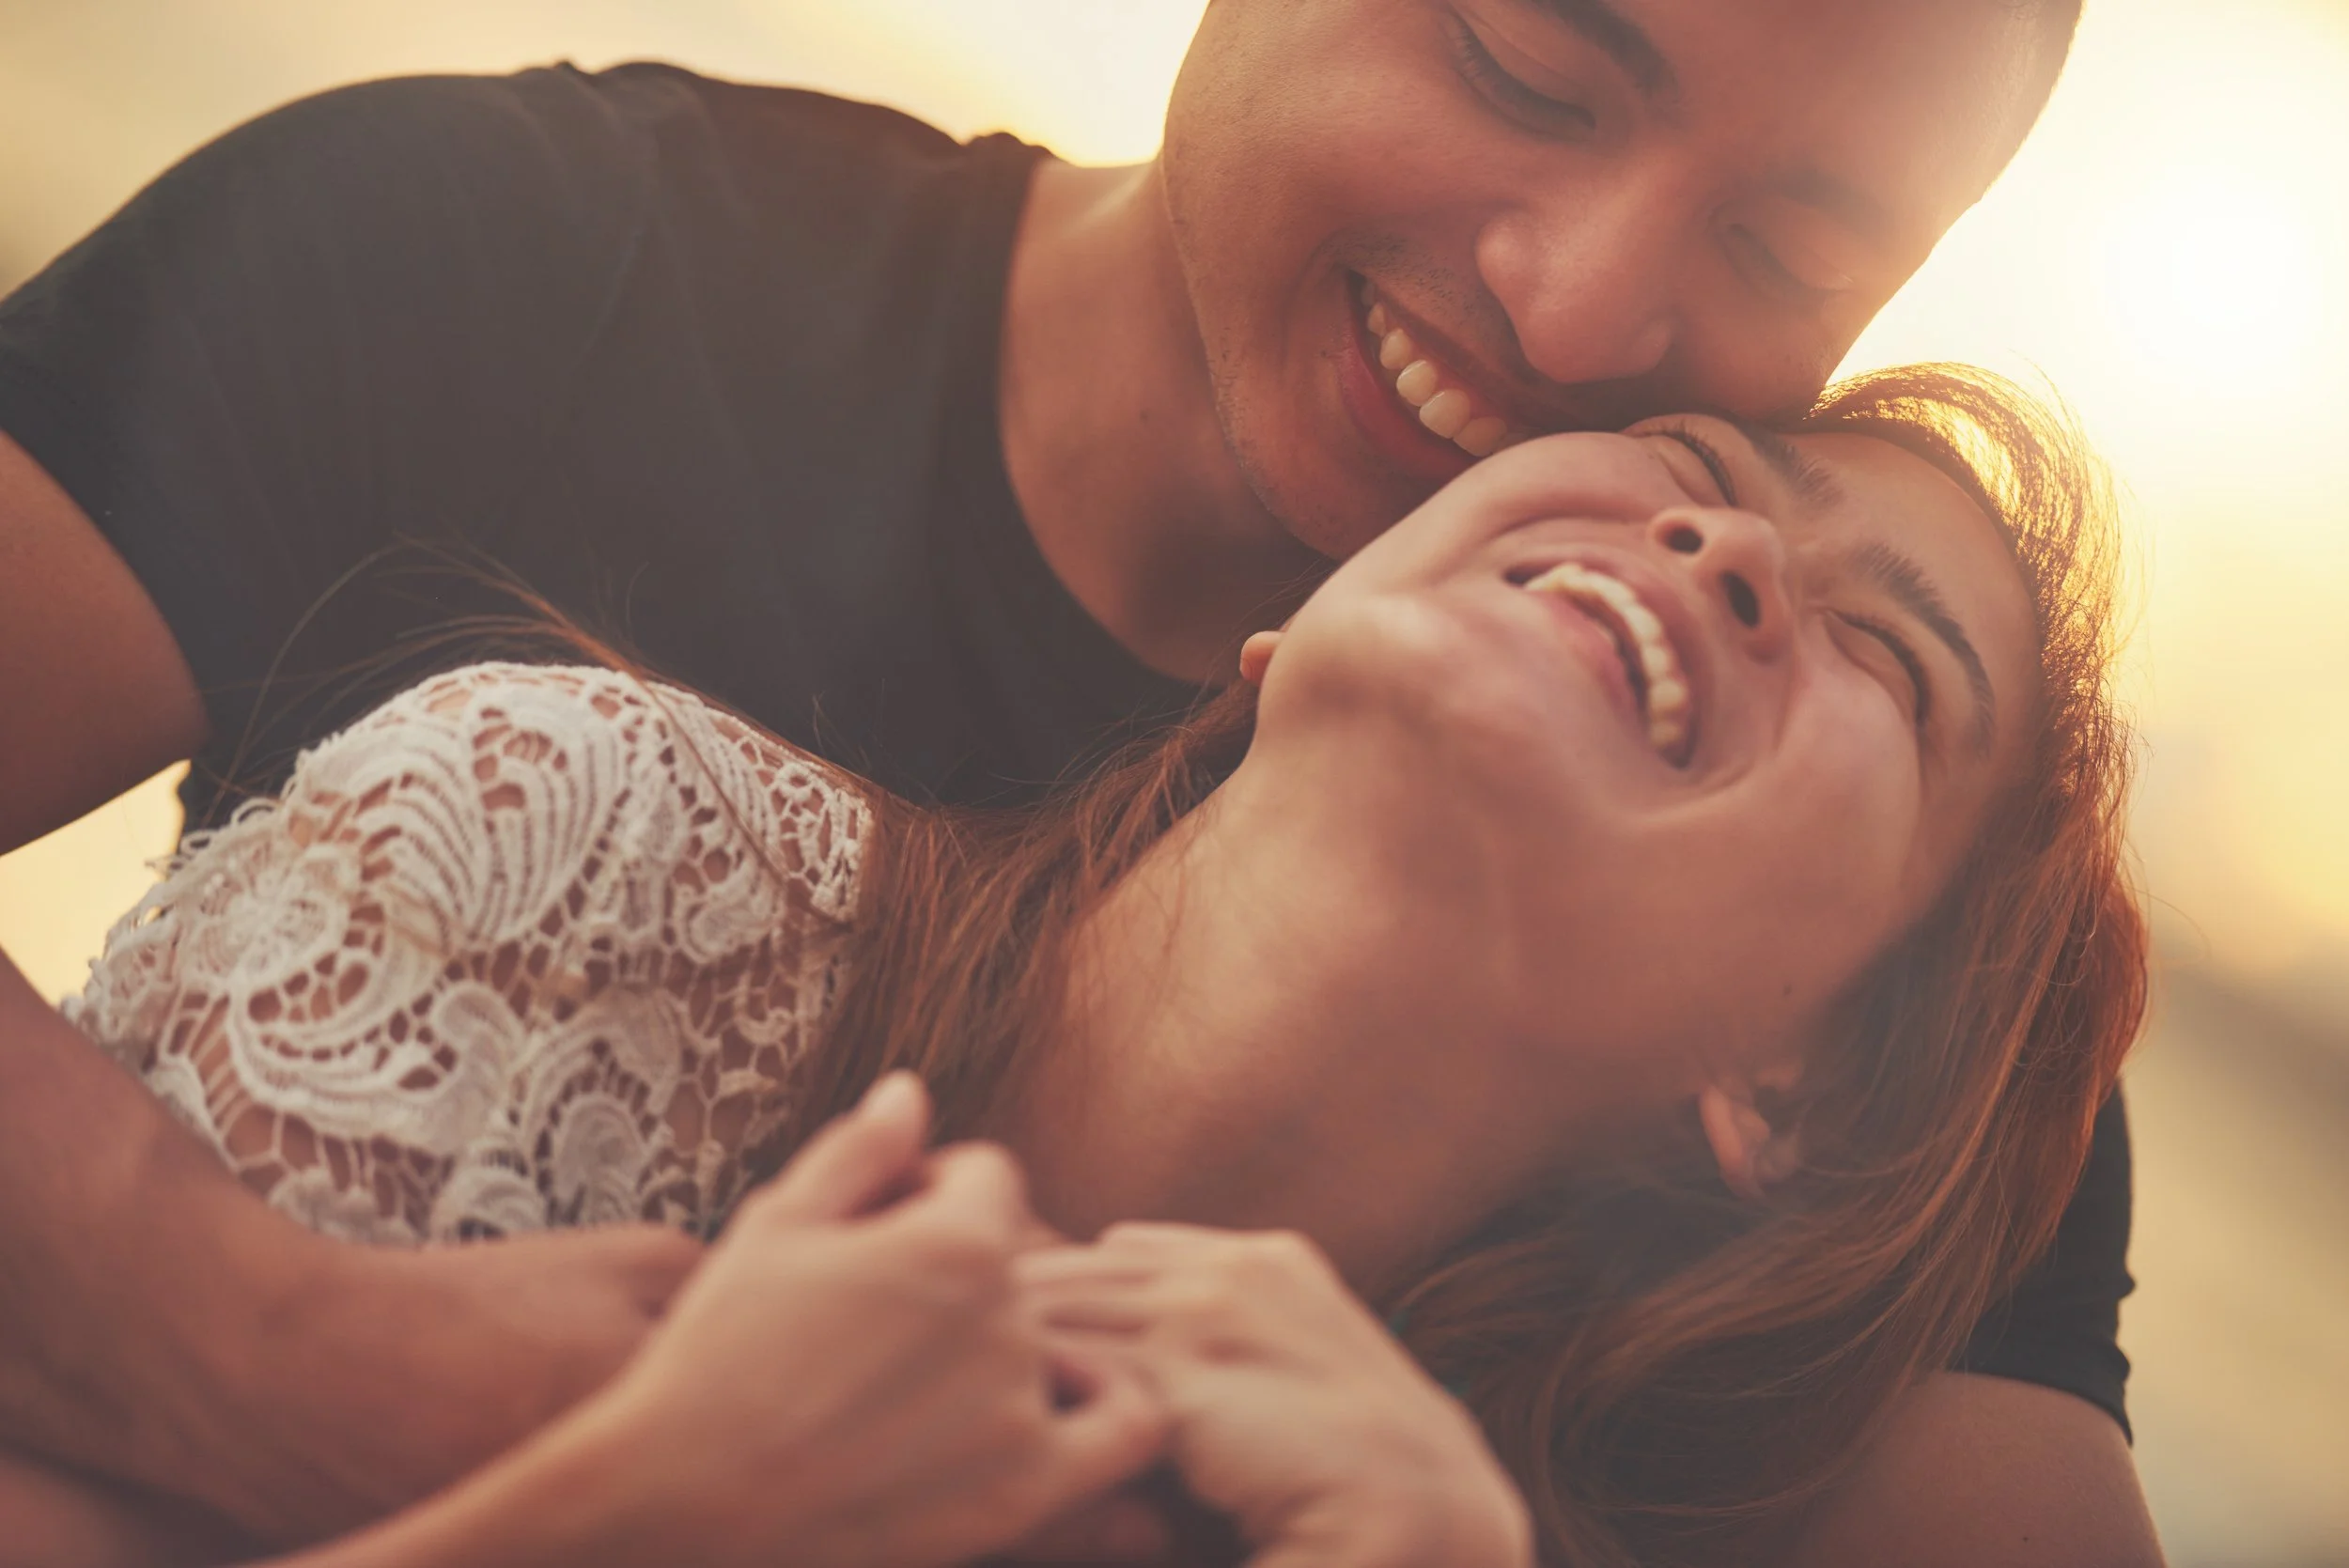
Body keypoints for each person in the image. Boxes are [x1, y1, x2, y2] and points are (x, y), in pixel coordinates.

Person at [0, 3, 2157, 1561]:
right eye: (1524, 67)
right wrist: (282, 1353)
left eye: (1782, 257)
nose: (1573, 312)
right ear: (1252, 675)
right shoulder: (513, 274)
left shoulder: (1875, 990)